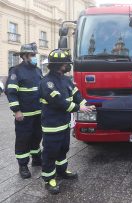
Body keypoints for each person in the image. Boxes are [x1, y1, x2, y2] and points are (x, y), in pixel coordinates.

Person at [39, 49, 95, 194]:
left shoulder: (65, 79)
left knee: (63, 149)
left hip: (64, 124)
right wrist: (78, 108)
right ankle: (49, 179)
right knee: (50, 153)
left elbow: (76, 93)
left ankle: (62, 171)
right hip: (52, 126)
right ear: (58, 65)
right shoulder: (47, 83)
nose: (68, 66)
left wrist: (84, 103)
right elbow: (58, 102)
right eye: (65, 64)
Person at [6, 43, 42, 179]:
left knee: (37, 137)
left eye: (35, 55)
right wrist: (16, 111)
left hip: (38, 113)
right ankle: (23, 165)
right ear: (24, 56)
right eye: (32, 55)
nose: (34, 58)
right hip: (24, 115)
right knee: (23, 140)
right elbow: (11, 92)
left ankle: (37, 159)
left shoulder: (38, 70)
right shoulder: (16, 71)